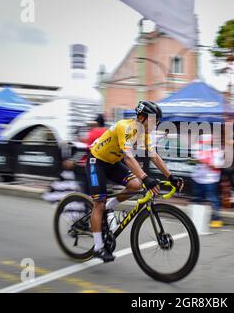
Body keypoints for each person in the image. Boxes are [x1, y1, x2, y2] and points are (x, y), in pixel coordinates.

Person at [86, 101, 184, 262]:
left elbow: (154, 156)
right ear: (141, 118)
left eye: (157, 121)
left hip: (112, 162)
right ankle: (98, 247)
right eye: (153, 121)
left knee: (135, 185)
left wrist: (170, 176)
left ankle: (109, 207)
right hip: (96, 161)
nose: (155, 124)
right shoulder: (125, 127)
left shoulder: (144, 133)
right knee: (99, 203)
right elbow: (128, 157)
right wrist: (146, 177)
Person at [191, 134, 225, 228]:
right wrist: (199, 159)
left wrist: (205, 161)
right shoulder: (199, 149)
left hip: (211, 180)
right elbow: (193, 159)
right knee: (197, 199)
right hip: (198, 179)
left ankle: (216, 219)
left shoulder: (218, 152)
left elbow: (217, 165)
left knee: (213, 200)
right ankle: (196, 219)